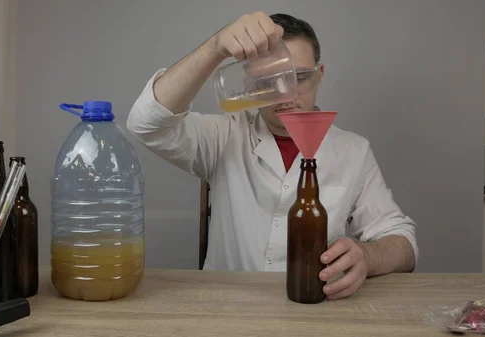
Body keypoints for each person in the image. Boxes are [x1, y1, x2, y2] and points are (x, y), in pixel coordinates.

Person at [126, 11, 417, 300]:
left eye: (299, 77)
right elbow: (146, 123)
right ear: (250, 85)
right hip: (225, 308)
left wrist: (367, 256)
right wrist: (216, 46)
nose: (286, 93)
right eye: (269, 80)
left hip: (313, 306)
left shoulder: (353, 151)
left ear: (320, 76)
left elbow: (404, 242)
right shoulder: (224, 136)